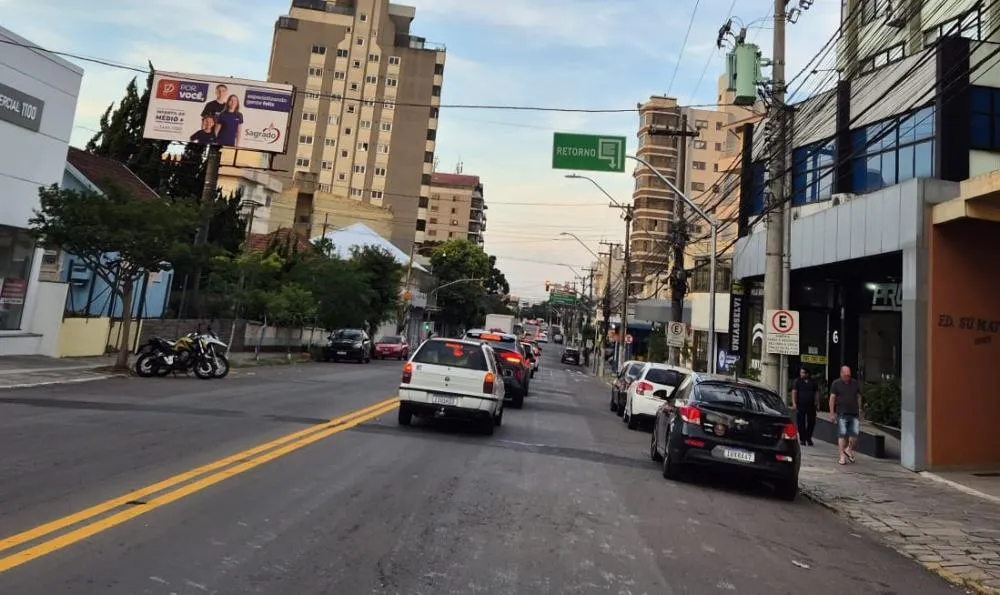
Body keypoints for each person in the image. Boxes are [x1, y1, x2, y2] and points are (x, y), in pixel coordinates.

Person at [828, 365, 864, 466]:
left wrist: (860, 409)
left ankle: (848, 449)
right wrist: (832, 413)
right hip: (842, 413)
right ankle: (842, 456)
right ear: (841, 374)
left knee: (854, 434)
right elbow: (832, 399)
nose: (847, 377)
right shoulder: (836, 384)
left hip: (854, 412)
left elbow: (858, 396)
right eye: (846, 375)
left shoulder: (855, 383)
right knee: (842, 435)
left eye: (849, 375)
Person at [792, 368, 818, 446]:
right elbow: (794, 392)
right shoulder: (798, 381)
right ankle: (802, 438)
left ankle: (808, 437)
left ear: (807, 374)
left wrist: (817, 403)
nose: (801, 374)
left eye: (803, 373)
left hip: (811, 405)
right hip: (801, 404)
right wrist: (794, 403)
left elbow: (816, 393)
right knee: (800, 422)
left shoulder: (813, 382)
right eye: (801, 373)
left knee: (812, 421)